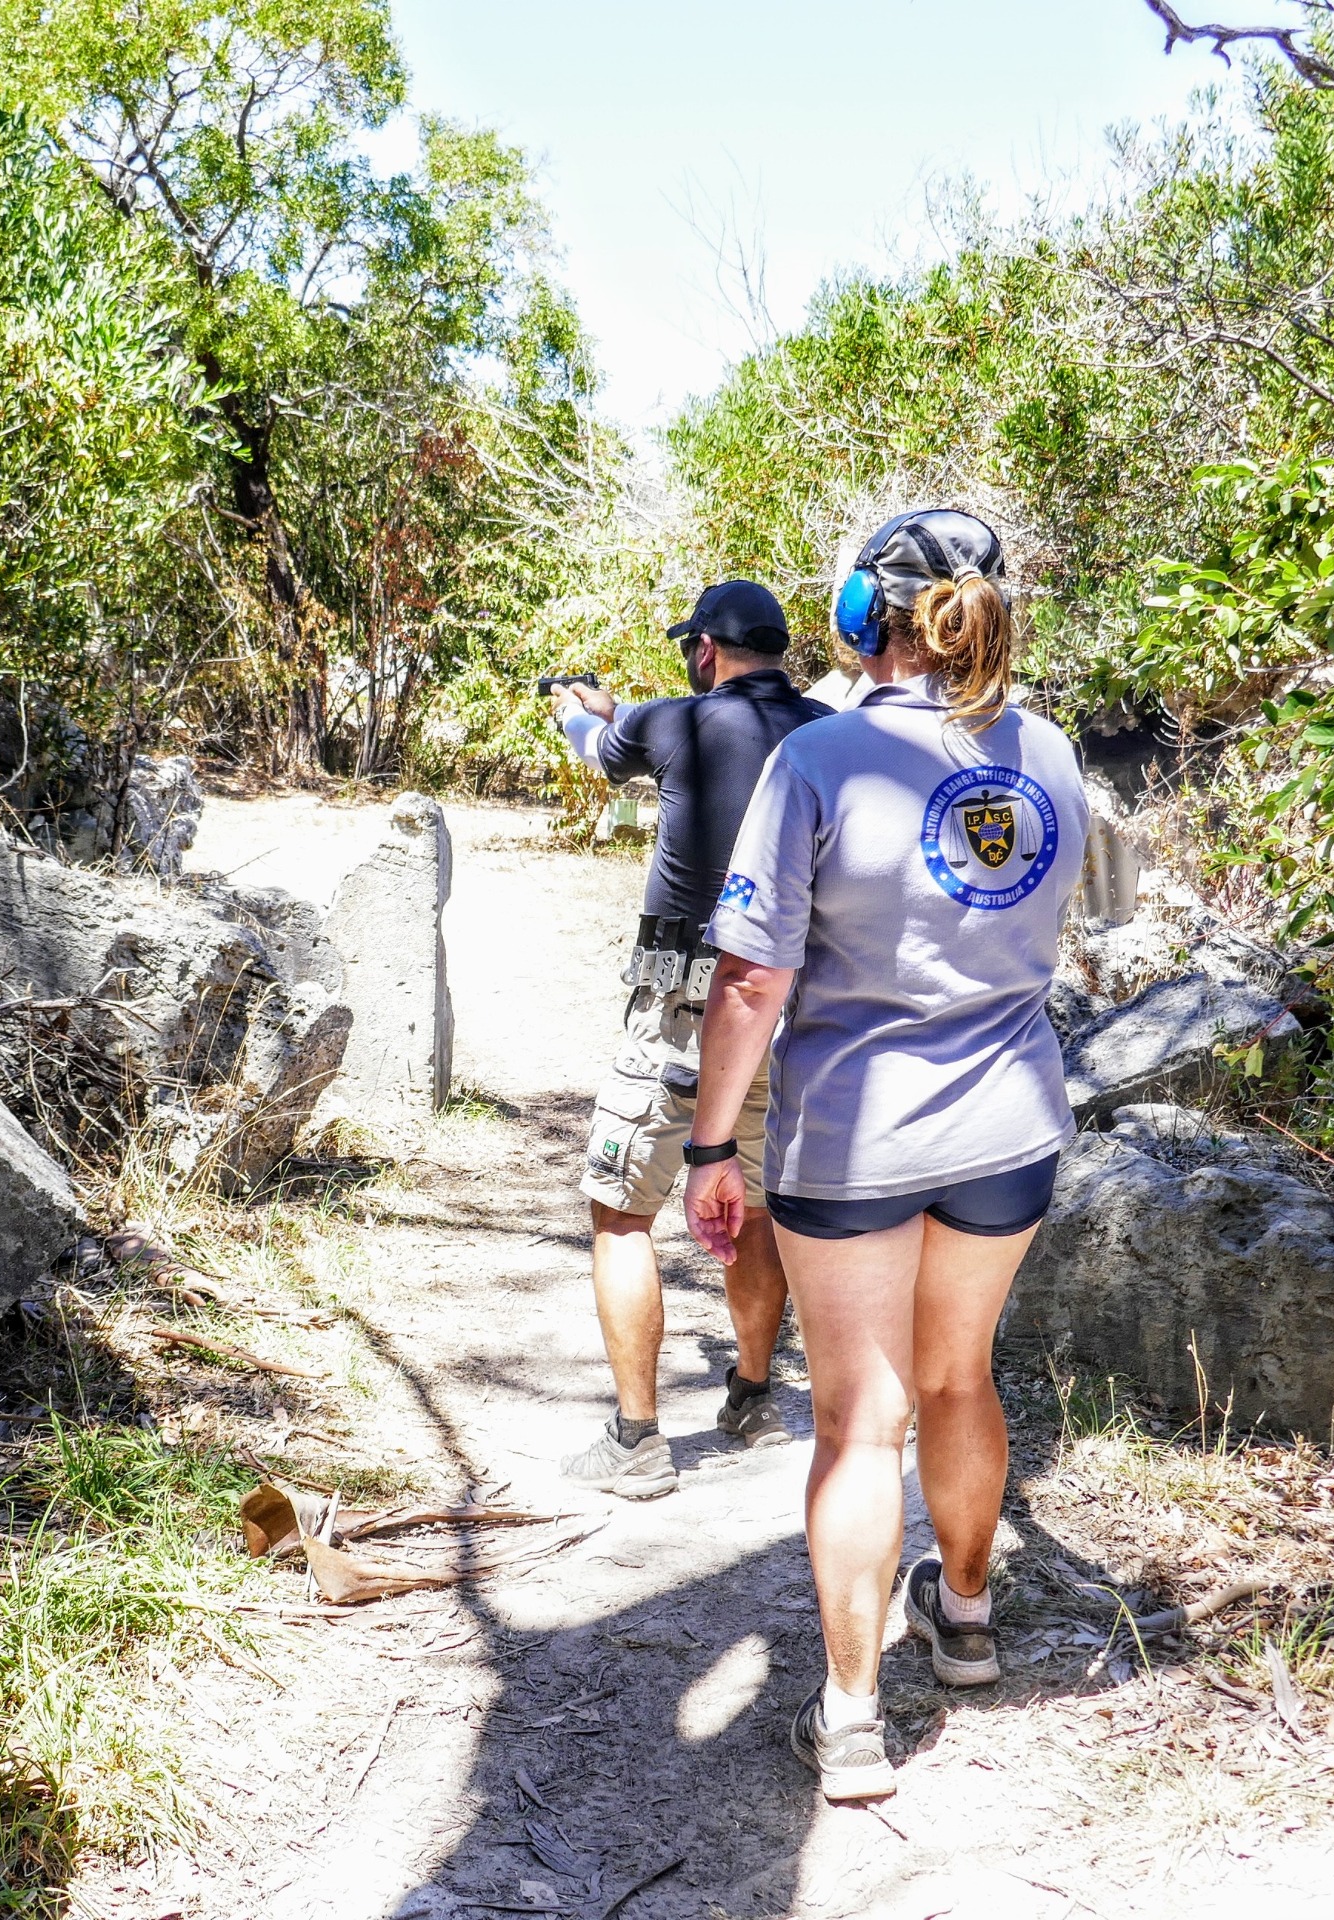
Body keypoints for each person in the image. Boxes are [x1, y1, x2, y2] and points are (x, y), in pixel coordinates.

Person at [682, 509, 1088, 1801]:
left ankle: (854, 1720)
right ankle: (963, 1619)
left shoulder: (820, 757)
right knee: (959, 1378)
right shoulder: (1053, 754)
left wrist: (709, 1145)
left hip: (857, 1136)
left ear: (869, 615)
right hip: (1007, 1128)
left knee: (862, 1422)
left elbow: (753, 980)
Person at [548, 580, 829, 1499]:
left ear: (705, 651)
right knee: (753, 1204)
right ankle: (753, 1396)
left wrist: (578, 713)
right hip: (784, 1013)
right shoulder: (827, 736)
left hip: (683, 1010)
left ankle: (636, 1439)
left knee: (622, 1213)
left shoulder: (673, 721)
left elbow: (597, 745)